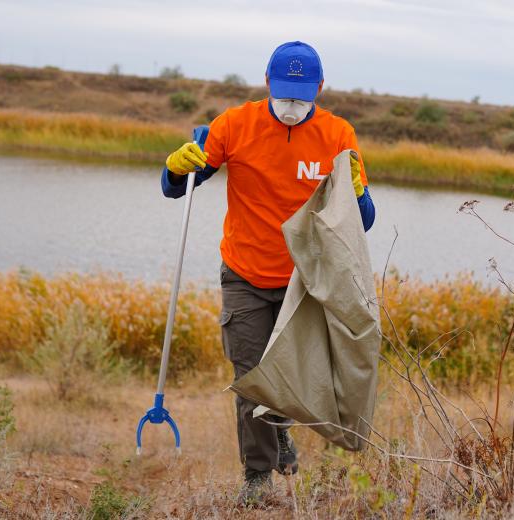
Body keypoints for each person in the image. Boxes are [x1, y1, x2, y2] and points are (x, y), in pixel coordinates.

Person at [160, 41, 376, 504]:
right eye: (285, 94)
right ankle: (257, 479)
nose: (292, 105)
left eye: (302, 95)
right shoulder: (234, 125)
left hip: (305, 281)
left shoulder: (338, 135)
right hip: (244, 273)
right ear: (267, 83)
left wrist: (358, 193)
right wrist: (176, 169)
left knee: (292, 376)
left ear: (319, 88)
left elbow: (365, 222)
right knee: (251, 374)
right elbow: (177, 190)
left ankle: (279, 430)